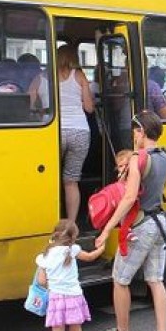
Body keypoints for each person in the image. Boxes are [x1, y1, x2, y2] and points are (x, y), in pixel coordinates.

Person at [94, 111, 166, 331]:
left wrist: (107, 229)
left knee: (120, 280)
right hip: (161, 222)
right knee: (156, 281)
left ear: (142, 132)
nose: (133, 136)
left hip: (142, 226)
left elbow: (129, 198)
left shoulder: (138, 158)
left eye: (135, 131)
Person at [36, 219, 104, 331]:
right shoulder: (73, 250)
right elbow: (90, 257)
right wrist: (101, 247)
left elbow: (41, 281)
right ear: (74, 237)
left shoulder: (45, 256)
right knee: (76, 329)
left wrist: (52, 283)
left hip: (56, 299)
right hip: (74, 296)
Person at [58, 44, 95, 224]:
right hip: (80, 132)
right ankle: (72, 224)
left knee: (51, 177)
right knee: (71, 181)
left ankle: (54, 219)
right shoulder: (79, 76)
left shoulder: (44, 76)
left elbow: (33, 103)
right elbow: (89, 107)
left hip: (54, 133)